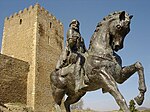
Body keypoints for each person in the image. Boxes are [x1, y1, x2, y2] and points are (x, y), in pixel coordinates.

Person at [56, 19, 87, 92]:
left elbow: (85, 49)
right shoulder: (70, 31)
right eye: (74, 23)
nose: (76, 24)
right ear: (70, 24)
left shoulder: (81, 37)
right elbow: (70, 44)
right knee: (80, 59)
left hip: (81, 53)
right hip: (72, 53)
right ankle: (78, 83)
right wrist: (74, 40)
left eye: (77, 24)